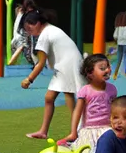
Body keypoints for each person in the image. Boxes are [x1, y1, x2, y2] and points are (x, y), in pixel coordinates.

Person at [21, 9, 86, 139]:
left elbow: (40, 63)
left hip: (67, 66)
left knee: (71, 97)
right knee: (50, 98)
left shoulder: (45, 35)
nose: (29, 31)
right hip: (65, 65)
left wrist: (29, 79)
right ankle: (44, 131)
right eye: (26, 29)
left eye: (29, 27)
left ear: (38, 23)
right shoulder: (50, 30)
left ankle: (77, 131)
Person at [58, 54, 116, 153]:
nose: (107, 70)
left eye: (108, 67)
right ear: (90, 73)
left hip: (108, 129)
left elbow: (115, 110)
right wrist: (73, 132)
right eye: (102, 68)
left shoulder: (112, 89)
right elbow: (77, 112)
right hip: (90, 130)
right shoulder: (85, 90)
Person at [113, 12, 126, 80]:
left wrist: (117, 40)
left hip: (120, 43)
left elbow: (115, 36)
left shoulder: (118, 27)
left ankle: (115, 73)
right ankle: (124, 73)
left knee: (119, 58)